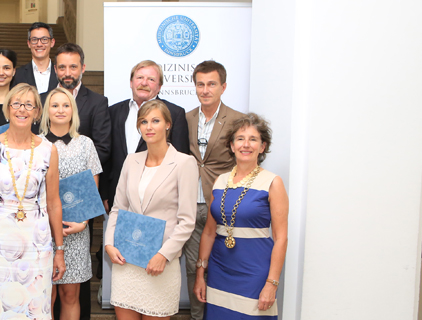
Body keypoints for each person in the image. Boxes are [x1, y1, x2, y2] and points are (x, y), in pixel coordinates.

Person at [0, 83, 66, 319]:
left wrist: (59, 250)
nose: (22, 109)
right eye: (17, 104)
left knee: (34, 310)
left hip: (37, 247)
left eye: (29, 105)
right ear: (8, 108)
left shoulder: (48, 150)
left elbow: (53, 203)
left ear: (37, 112)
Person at [104, 100, 198, 319]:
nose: (149, 126)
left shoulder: (184, 163)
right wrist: (109, 243)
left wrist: (164, 255)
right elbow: (118, 208)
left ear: (168, 125)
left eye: (155, 121)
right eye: (143, 121)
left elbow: (187, 221)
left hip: (159, 263)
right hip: (126, 261)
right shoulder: (131, 160)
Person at [194, 113, 288, 319]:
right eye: (240, 139)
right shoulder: (220, 181)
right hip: (219, 272)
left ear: (262, 147)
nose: (246, 144)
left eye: (253, 139)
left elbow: (281, 238)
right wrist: (200, 274)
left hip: (255, 274)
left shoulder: (272, 182)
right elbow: (209, 233)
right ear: (231, 145)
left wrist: (272, 284)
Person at [41, 42, 111, 319]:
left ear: (74, 110)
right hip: (43, 229)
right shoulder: (37, 145)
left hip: (76, 229)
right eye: (55, 105)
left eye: (65, 105)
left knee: (71, 293)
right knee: (46, 292)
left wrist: (82, 221)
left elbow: (92, 187)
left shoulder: (86, 145)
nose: (60, 110)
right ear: (46, 110)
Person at [182, 60, 245, 320]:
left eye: (211, 84)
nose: (205, 90)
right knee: (193, 267)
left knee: (222, 265)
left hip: (222, 206)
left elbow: (246, 163)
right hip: (189, 204)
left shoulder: (238, 120)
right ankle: (198, 317)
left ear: (223, 87)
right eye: (200, 84)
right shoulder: (185, 118)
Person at [104, 60, 190, 211]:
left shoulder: (174, 113)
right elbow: (107, 155)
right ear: (131, 82)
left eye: (151, 79)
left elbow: (180, 159)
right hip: (118, 195)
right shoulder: (113, 112)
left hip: (158, 200)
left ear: (159, 87)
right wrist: (105, 193)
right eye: (139, 78)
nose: (144, 83)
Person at [14, 22, 58, 95]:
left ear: (52, 42)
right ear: (29, 43)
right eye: (34, 40)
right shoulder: (18, 74)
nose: (39, 44)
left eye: (44, 39)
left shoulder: (60, 73)